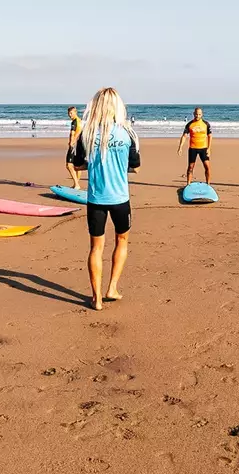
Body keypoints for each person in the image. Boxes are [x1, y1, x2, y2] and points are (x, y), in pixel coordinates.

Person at [70, 87, 141, 311]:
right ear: (118, 106)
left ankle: (97, 299)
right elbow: (135, 167)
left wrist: (97, 164)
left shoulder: (87, 133)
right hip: (120, 198)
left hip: (96, 199)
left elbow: (79, 164)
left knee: (96, 248)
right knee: (122, 241)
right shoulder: (127, 133)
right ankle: (112, 287)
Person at [177, 107, 212, 184]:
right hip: (193, 148)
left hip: (203, 148)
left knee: (207, 167)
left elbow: (210, 136)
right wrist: (180, 147)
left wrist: (209, 149)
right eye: (196, 114)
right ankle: (188, 184)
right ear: (193, 114)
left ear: (202, 115)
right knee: (190, 167)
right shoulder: (190, 124)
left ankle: (208, 184)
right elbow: (184, 136)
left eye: (199, 114)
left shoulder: (206, 124)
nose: (197, 116)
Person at [65, 106, 83, 189]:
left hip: (74, 145)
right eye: (68, 113)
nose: (69, 115)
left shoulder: (74, 122)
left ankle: (76, 184)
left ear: (75, 112)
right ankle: (76, 184)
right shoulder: (80, 121)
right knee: (77, 166)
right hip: (80, 145)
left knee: (69, 165)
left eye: (71, 113)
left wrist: (71, 143)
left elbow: (73, 133)